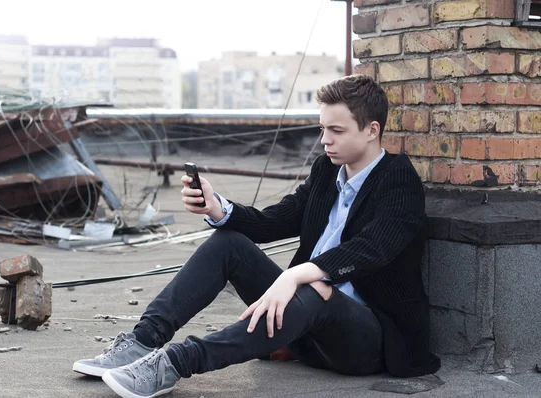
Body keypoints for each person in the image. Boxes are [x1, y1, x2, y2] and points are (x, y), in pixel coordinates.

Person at [73, 75, 441, 398]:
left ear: (372, 130)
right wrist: (218, 208)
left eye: (336, 131)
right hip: (304, 328)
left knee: (317, 290)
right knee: (227, 244)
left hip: (368, 341)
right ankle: (141, 342)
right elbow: (275, 220)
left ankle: (173, 364)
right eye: (322, 129)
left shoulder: (398, 179)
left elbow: (372, 249)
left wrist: (294, 275)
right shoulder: (328, 171)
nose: (324, 140)